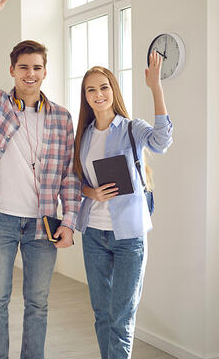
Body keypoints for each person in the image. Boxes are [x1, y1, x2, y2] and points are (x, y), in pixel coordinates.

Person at [0, 0, 81, 359]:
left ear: (45, 71)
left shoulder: (62, 118)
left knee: (38, 304)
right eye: (23, 67)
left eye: (37, 68)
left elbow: (69, 175)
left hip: (43, 224)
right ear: (12, 70)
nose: (30, 74)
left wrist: (69, 223)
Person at [73, 51, 172, 359]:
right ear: (85, 97)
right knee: (102, 314)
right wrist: (91, 193)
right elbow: (74, 181)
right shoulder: (83, 136)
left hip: (129, 236)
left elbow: (162, 141)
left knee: (122, 316)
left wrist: (155, 88)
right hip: (94, 235)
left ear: (113, 91)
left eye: (103, 87)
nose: (98, 94)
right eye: (91, 89)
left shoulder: (131, 127)